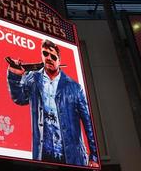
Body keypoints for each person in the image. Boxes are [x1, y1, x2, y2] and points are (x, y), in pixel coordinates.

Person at [7, 39, 99, 167]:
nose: (49, 58)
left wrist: (94, 156)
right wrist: (14, 76)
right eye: (45, 54)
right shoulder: (33, 78)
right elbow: (20, 99)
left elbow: (88, 123)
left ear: (59, 60)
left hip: (72, 156)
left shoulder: (74, 87)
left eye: (53, 56)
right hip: (43, 155)